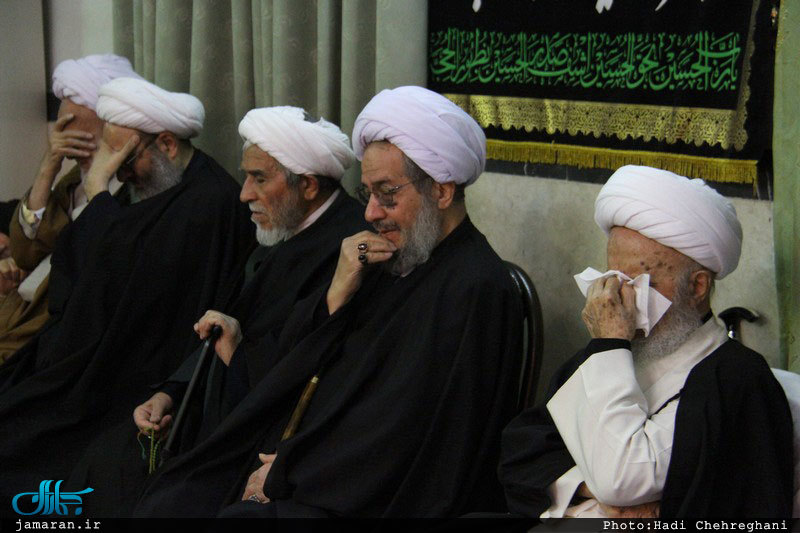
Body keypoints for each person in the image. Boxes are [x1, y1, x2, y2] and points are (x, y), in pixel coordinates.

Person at [133, 86, 522, 518]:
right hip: (322, 462)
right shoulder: (394, 258)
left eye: (387, 194)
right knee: (173, 496)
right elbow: (312, 369)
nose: (371, 213)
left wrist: (293, 470)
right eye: (367, 194)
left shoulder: (477, 288)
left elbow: (408, 431)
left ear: (442, 192)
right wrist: (338, 290)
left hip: (373, 495)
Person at [65, 106, 369, 516]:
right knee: (104, 459)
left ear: (309, 186)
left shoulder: (345, 249)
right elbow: (232, 319)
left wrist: (238, 353)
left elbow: (308, 365)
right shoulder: (287, 227)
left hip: (264, 437)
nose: (244, 194)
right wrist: (171, 394)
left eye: (259, 178)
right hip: (220, 407)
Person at [0, 77, 254, 513]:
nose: (118, 171)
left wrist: (99, 194)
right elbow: (84, 275)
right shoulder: (154, 184)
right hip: (105, 354)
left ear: (167, 144)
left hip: (141, 373)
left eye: (124, 157)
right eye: (109, 158)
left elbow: (133, 288)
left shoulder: (208, 203)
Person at [499, 165, 793, 520]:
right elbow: (524, 452)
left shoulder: (734, 379)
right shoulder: (611, 351)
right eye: (613, 278)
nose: (618, 299)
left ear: (697, 287)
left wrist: (610, 346)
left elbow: (621, 479)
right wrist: (586, 488)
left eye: (639, 283)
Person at [0, 54, 140, 363]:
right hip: (15, 311)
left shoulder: (131, 193)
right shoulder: (73, 180)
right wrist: (47, 169)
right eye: (65, 135)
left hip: (45, 332)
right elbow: (25, 253)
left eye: (85, 139)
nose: (74, 152)